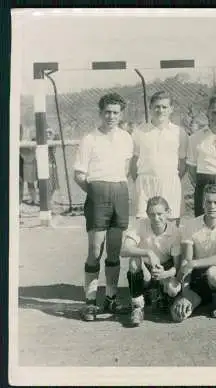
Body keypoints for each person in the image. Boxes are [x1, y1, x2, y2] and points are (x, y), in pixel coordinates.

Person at [73, 92, 134, 322]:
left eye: (115, 112)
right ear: (100, 113)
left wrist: (113, 187)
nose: (111, 116)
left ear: (121, 114)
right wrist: (97, 192)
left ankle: (111, 297)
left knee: (115, 250)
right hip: (98, 193)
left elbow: (126, 168)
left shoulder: (126, 137)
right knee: (94, 250)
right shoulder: (89, 139)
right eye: (107, 112)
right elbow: (79, 174)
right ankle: (90, 302)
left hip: (119, 191)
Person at [170, 184, 216, 322]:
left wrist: (194, 263)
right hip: (198, 277)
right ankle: (206, 299)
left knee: (214, 273)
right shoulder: (190, 225)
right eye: (208, 202)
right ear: (202, 204)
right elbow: (186, 261)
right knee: (177, 315)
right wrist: (186, 293)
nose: (212, 206)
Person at [120, 196, 182, 326]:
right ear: (147, 214)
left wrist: (165, 274)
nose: (156, 218)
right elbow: (124, 250)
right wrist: (148, 252)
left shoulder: (175, 231)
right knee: (133, 260)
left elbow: (177, 266)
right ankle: (137, 306)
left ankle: (161, 295)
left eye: (160, 214)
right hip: (146, 268)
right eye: (152, 214)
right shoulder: (140, 224)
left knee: (172, 289)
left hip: (164, 268)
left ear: (168, 213)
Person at [131, 91, 188, 223]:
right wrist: (141, 180)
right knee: (144, 225)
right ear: (150, 108)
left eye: (164, 107)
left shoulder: (179, 132)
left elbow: (183, 162)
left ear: (171, 109)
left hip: (170, 182)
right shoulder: (139, 131)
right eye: (156, 106)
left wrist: (170, 178)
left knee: (171, 226)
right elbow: (133, 163)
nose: (160, 110)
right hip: (145, 184)